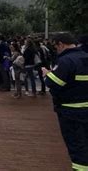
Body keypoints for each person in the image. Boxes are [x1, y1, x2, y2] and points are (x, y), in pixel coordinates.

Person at [43, 33, 88, 171]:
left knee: (77, 146)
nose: (56, 50)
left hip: (71, 112)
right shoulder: (85, 57)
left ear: (61, 44)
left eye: (55, 47)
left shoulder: (66, 61)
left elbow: (53, 83)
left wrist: (47, 74)